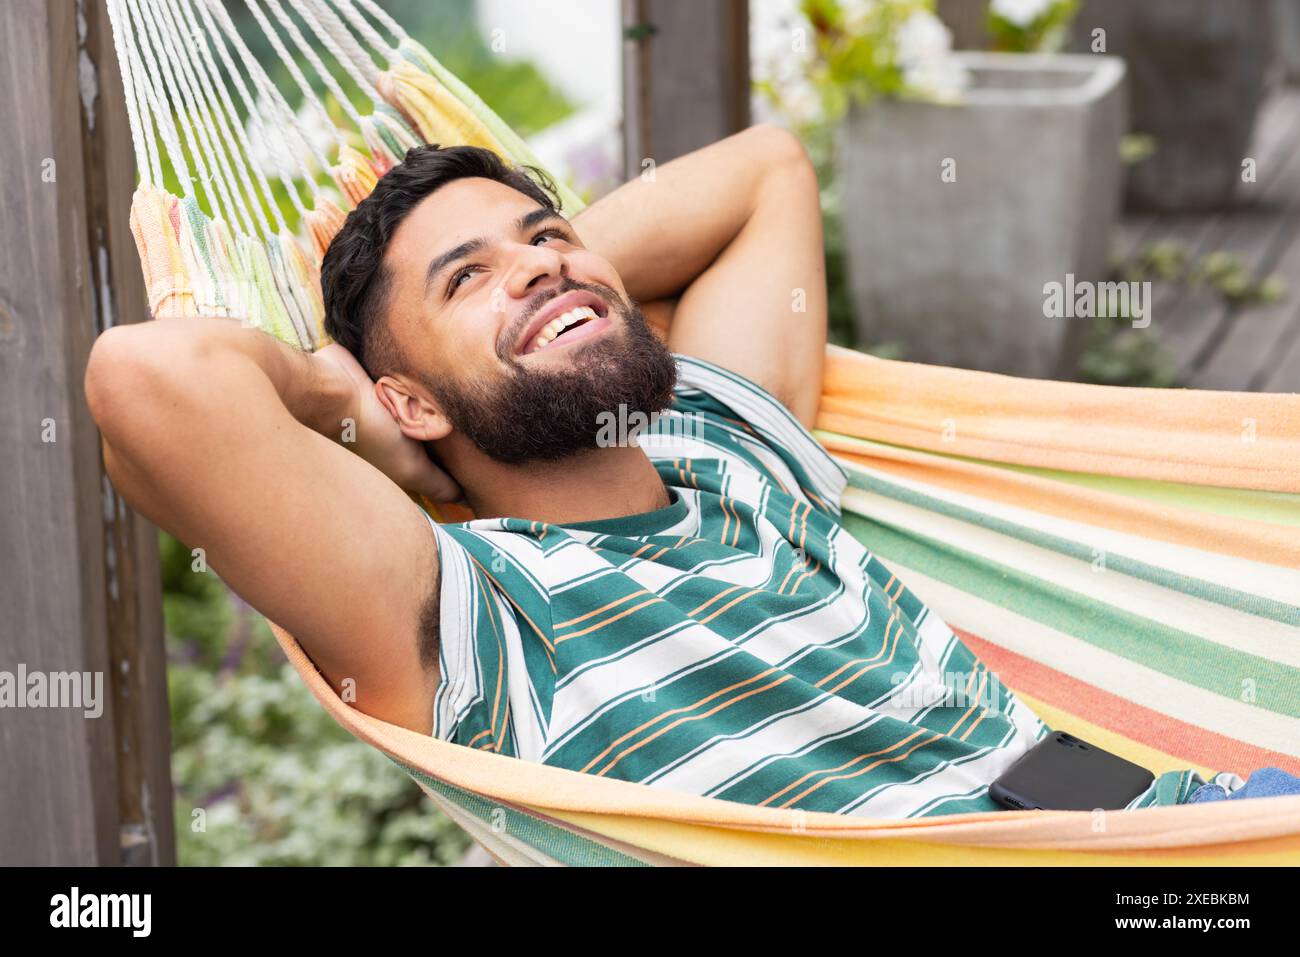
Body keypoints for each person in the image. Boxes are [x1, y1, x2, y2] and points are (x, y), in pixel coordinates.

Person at [84, 127, 1294, 817]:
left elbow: (765, 170)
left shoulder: (723, 445)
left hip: (1180, 832)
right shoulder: (472, 618)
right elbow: (148, 383)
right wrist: (339, 395)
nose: (540, 264)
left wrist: (544, 288)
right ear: (406, 401)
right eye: (465, 278)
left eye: (548, 236)